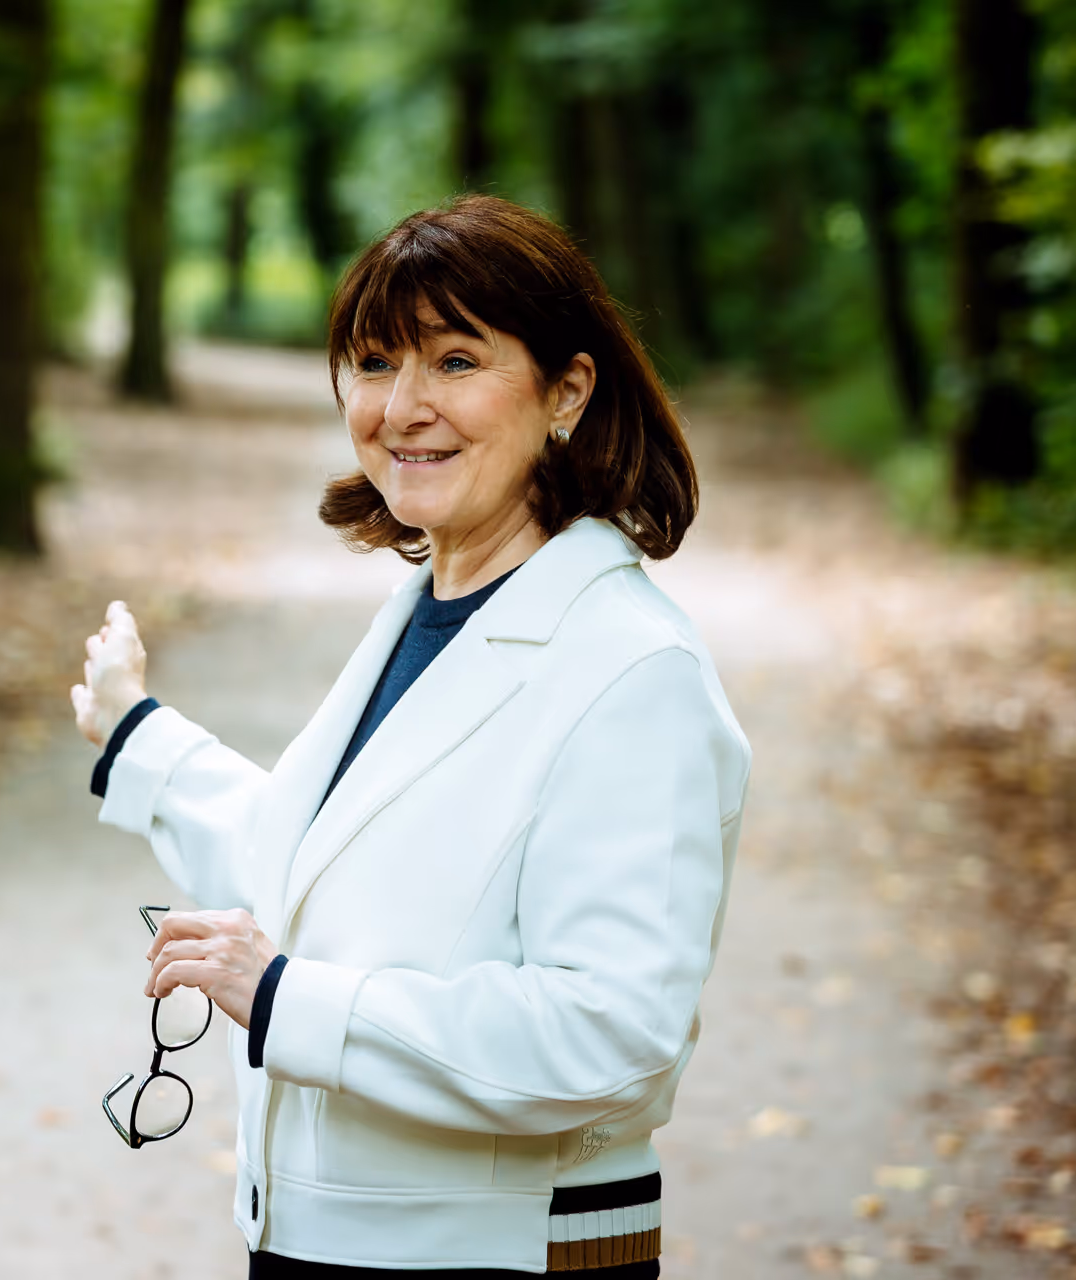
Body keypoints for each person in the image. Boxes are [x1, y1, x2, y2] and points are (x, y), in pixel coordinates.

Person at [71, 194, 748, 1277]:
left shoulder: (631, 670)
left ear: (565, 389)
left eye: (455, 361)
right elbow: (328, 880)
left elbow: (610, 1033)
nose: (401, 405)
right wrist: (137, 739)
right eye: (376, 361)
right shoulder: (431, 607)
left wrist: (291, 998)